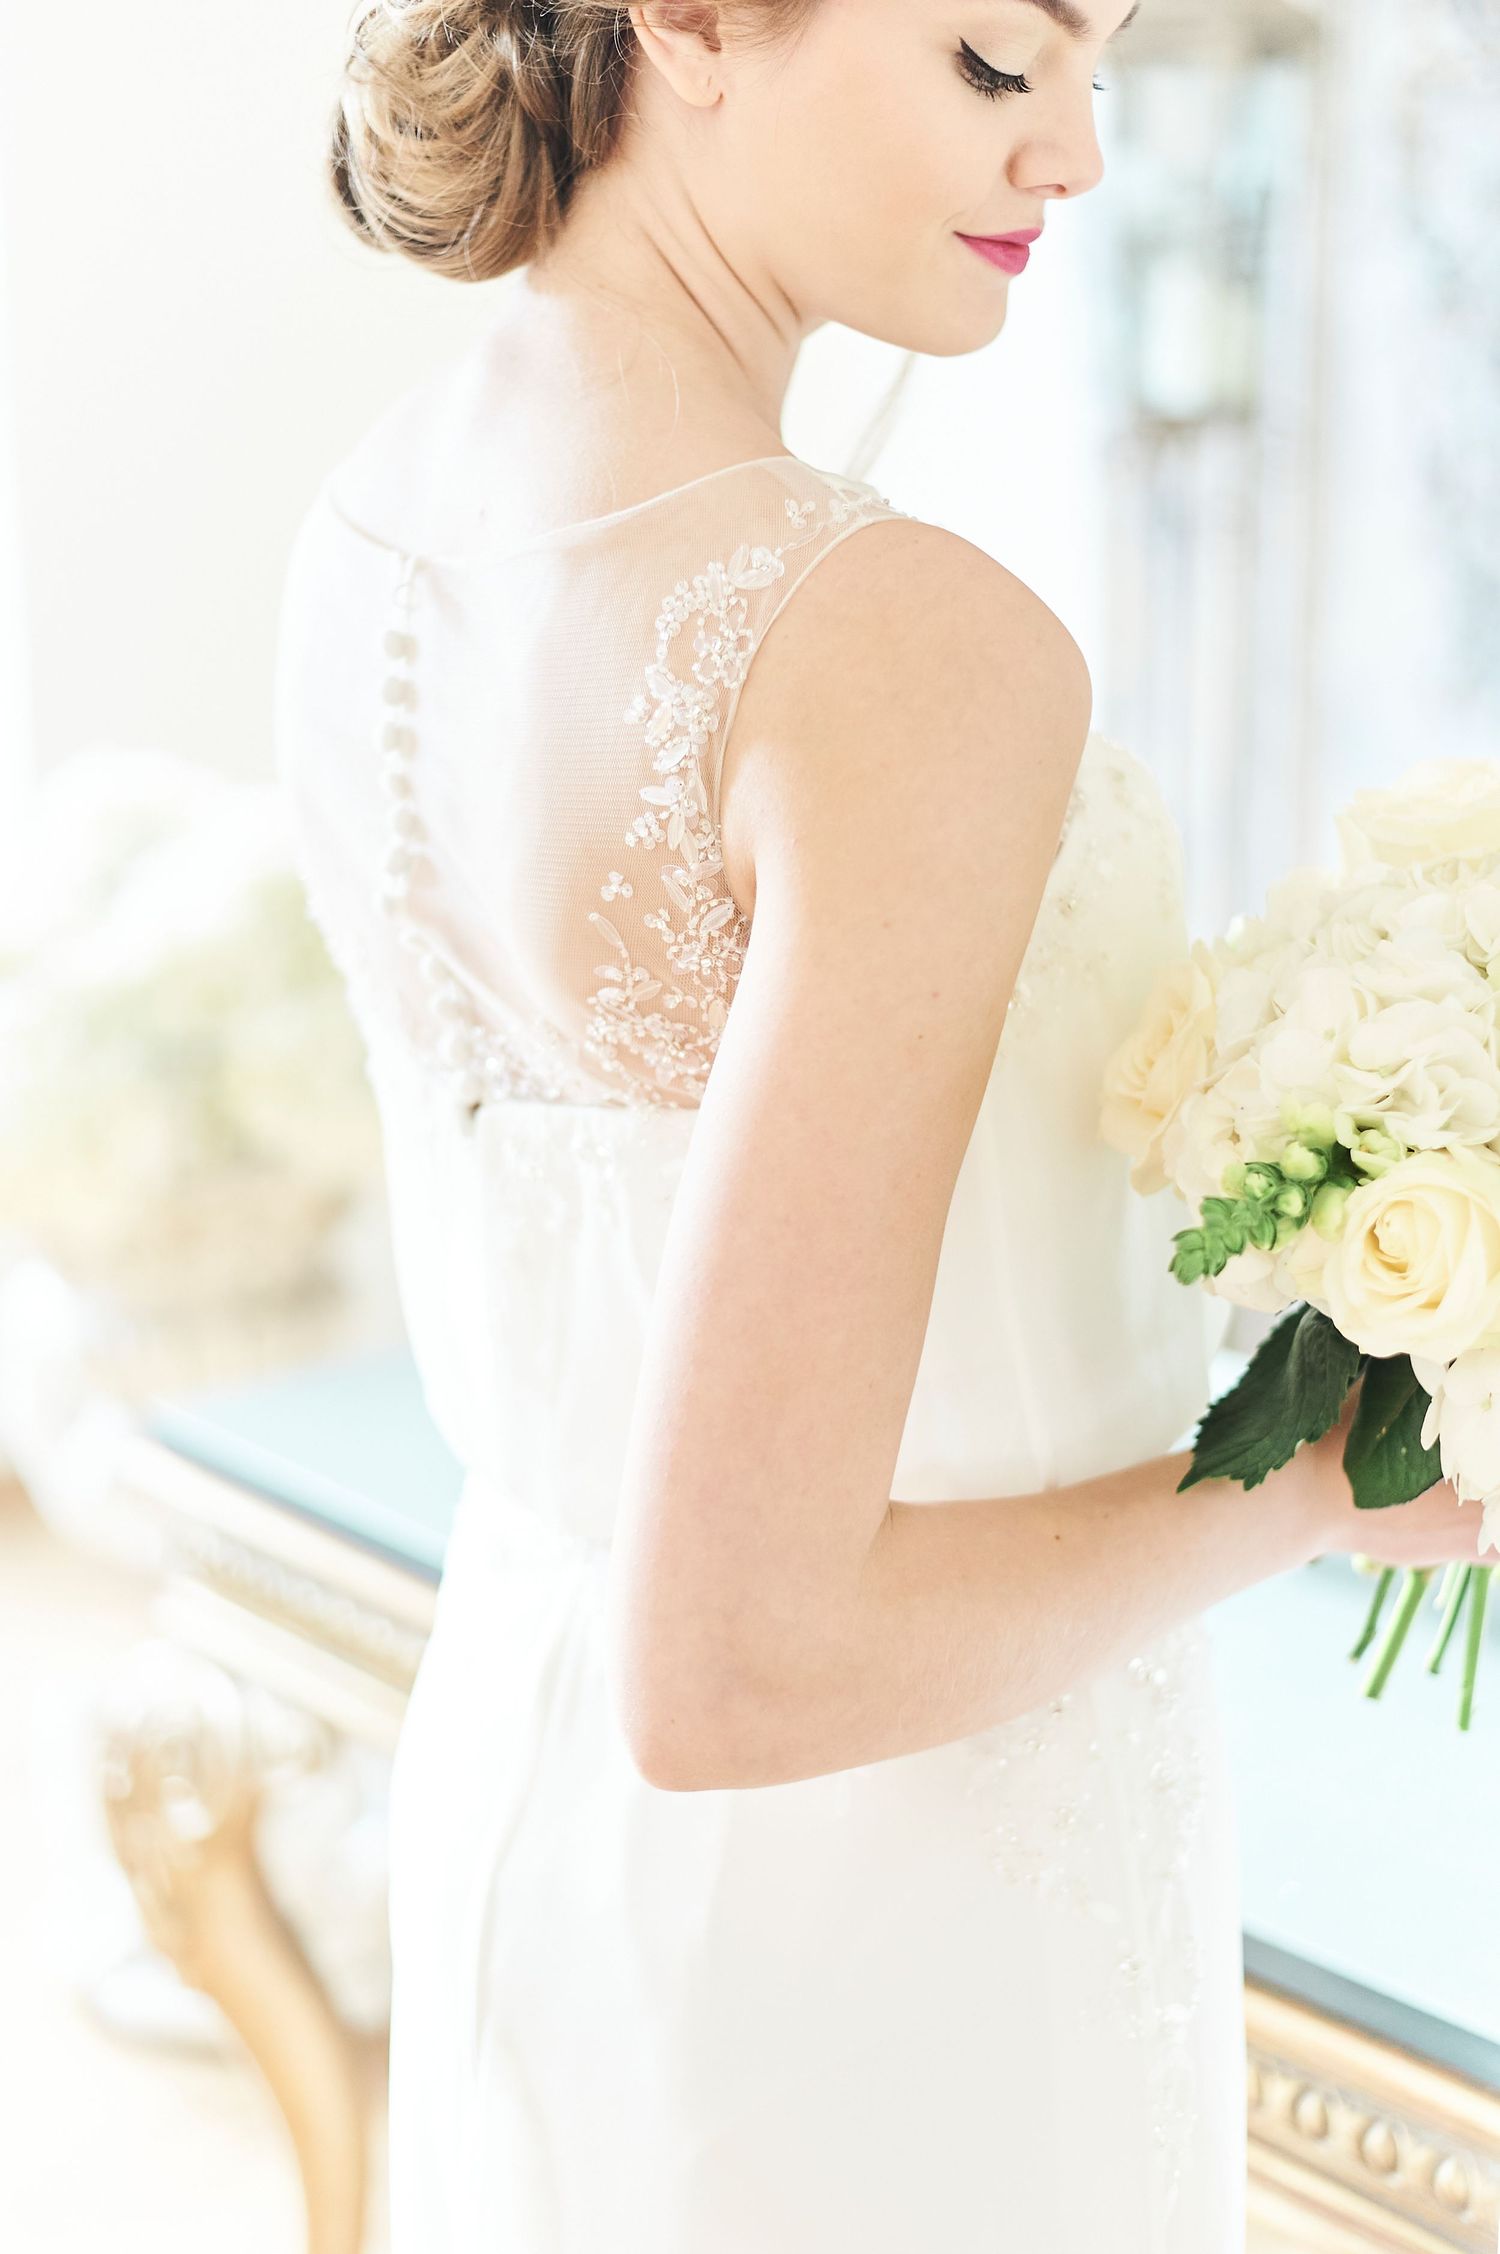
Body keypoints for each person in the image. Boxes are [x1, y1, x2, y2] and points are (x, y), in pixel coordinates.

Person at [273, 2, 1482, 2245]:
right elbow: (743, 1656)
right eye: (998, 65)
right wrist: (1317, 1479)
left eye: (1100, 68)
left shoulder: (378, 522)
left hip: (536, 1823)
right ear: (695, 23)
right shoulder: (894, 647)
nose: (1083, 158)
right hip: (901, 1919)